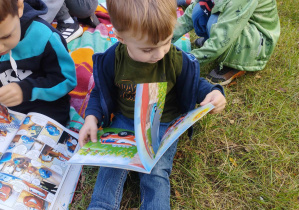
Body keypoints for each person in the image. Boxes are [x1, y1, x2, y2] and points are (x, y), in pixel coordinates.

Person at [78, 0, 226, 209]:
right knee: (110, 166)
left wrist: (213, 91)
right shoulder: (114, 60)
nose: (158, 54)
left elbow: (195, 82)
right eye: (147, 49)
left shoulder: (173, 58)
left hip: (163, 123)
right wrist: (91, 118)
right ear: (121, 37)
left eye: (166, 42)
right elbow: (100, 91)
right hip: (125, 121)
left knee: (156, 172)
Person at [0, 0, 77, 126]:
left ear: (19, 7)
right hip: (6, 108)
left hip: (44, 105)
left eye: (6, 36)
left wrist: (26, 90)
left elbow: (66, 79)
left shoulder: (45, 37)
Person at [172, 0, 280, 85]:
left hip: (256, 43)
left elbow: (222, 40)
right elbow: (189, 15)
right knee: (199, 10)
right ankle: (210, 42)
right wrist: (161, 39)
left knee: (216, 21)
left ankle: (234, 63)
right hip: (232, 23)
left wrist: (179, 64)